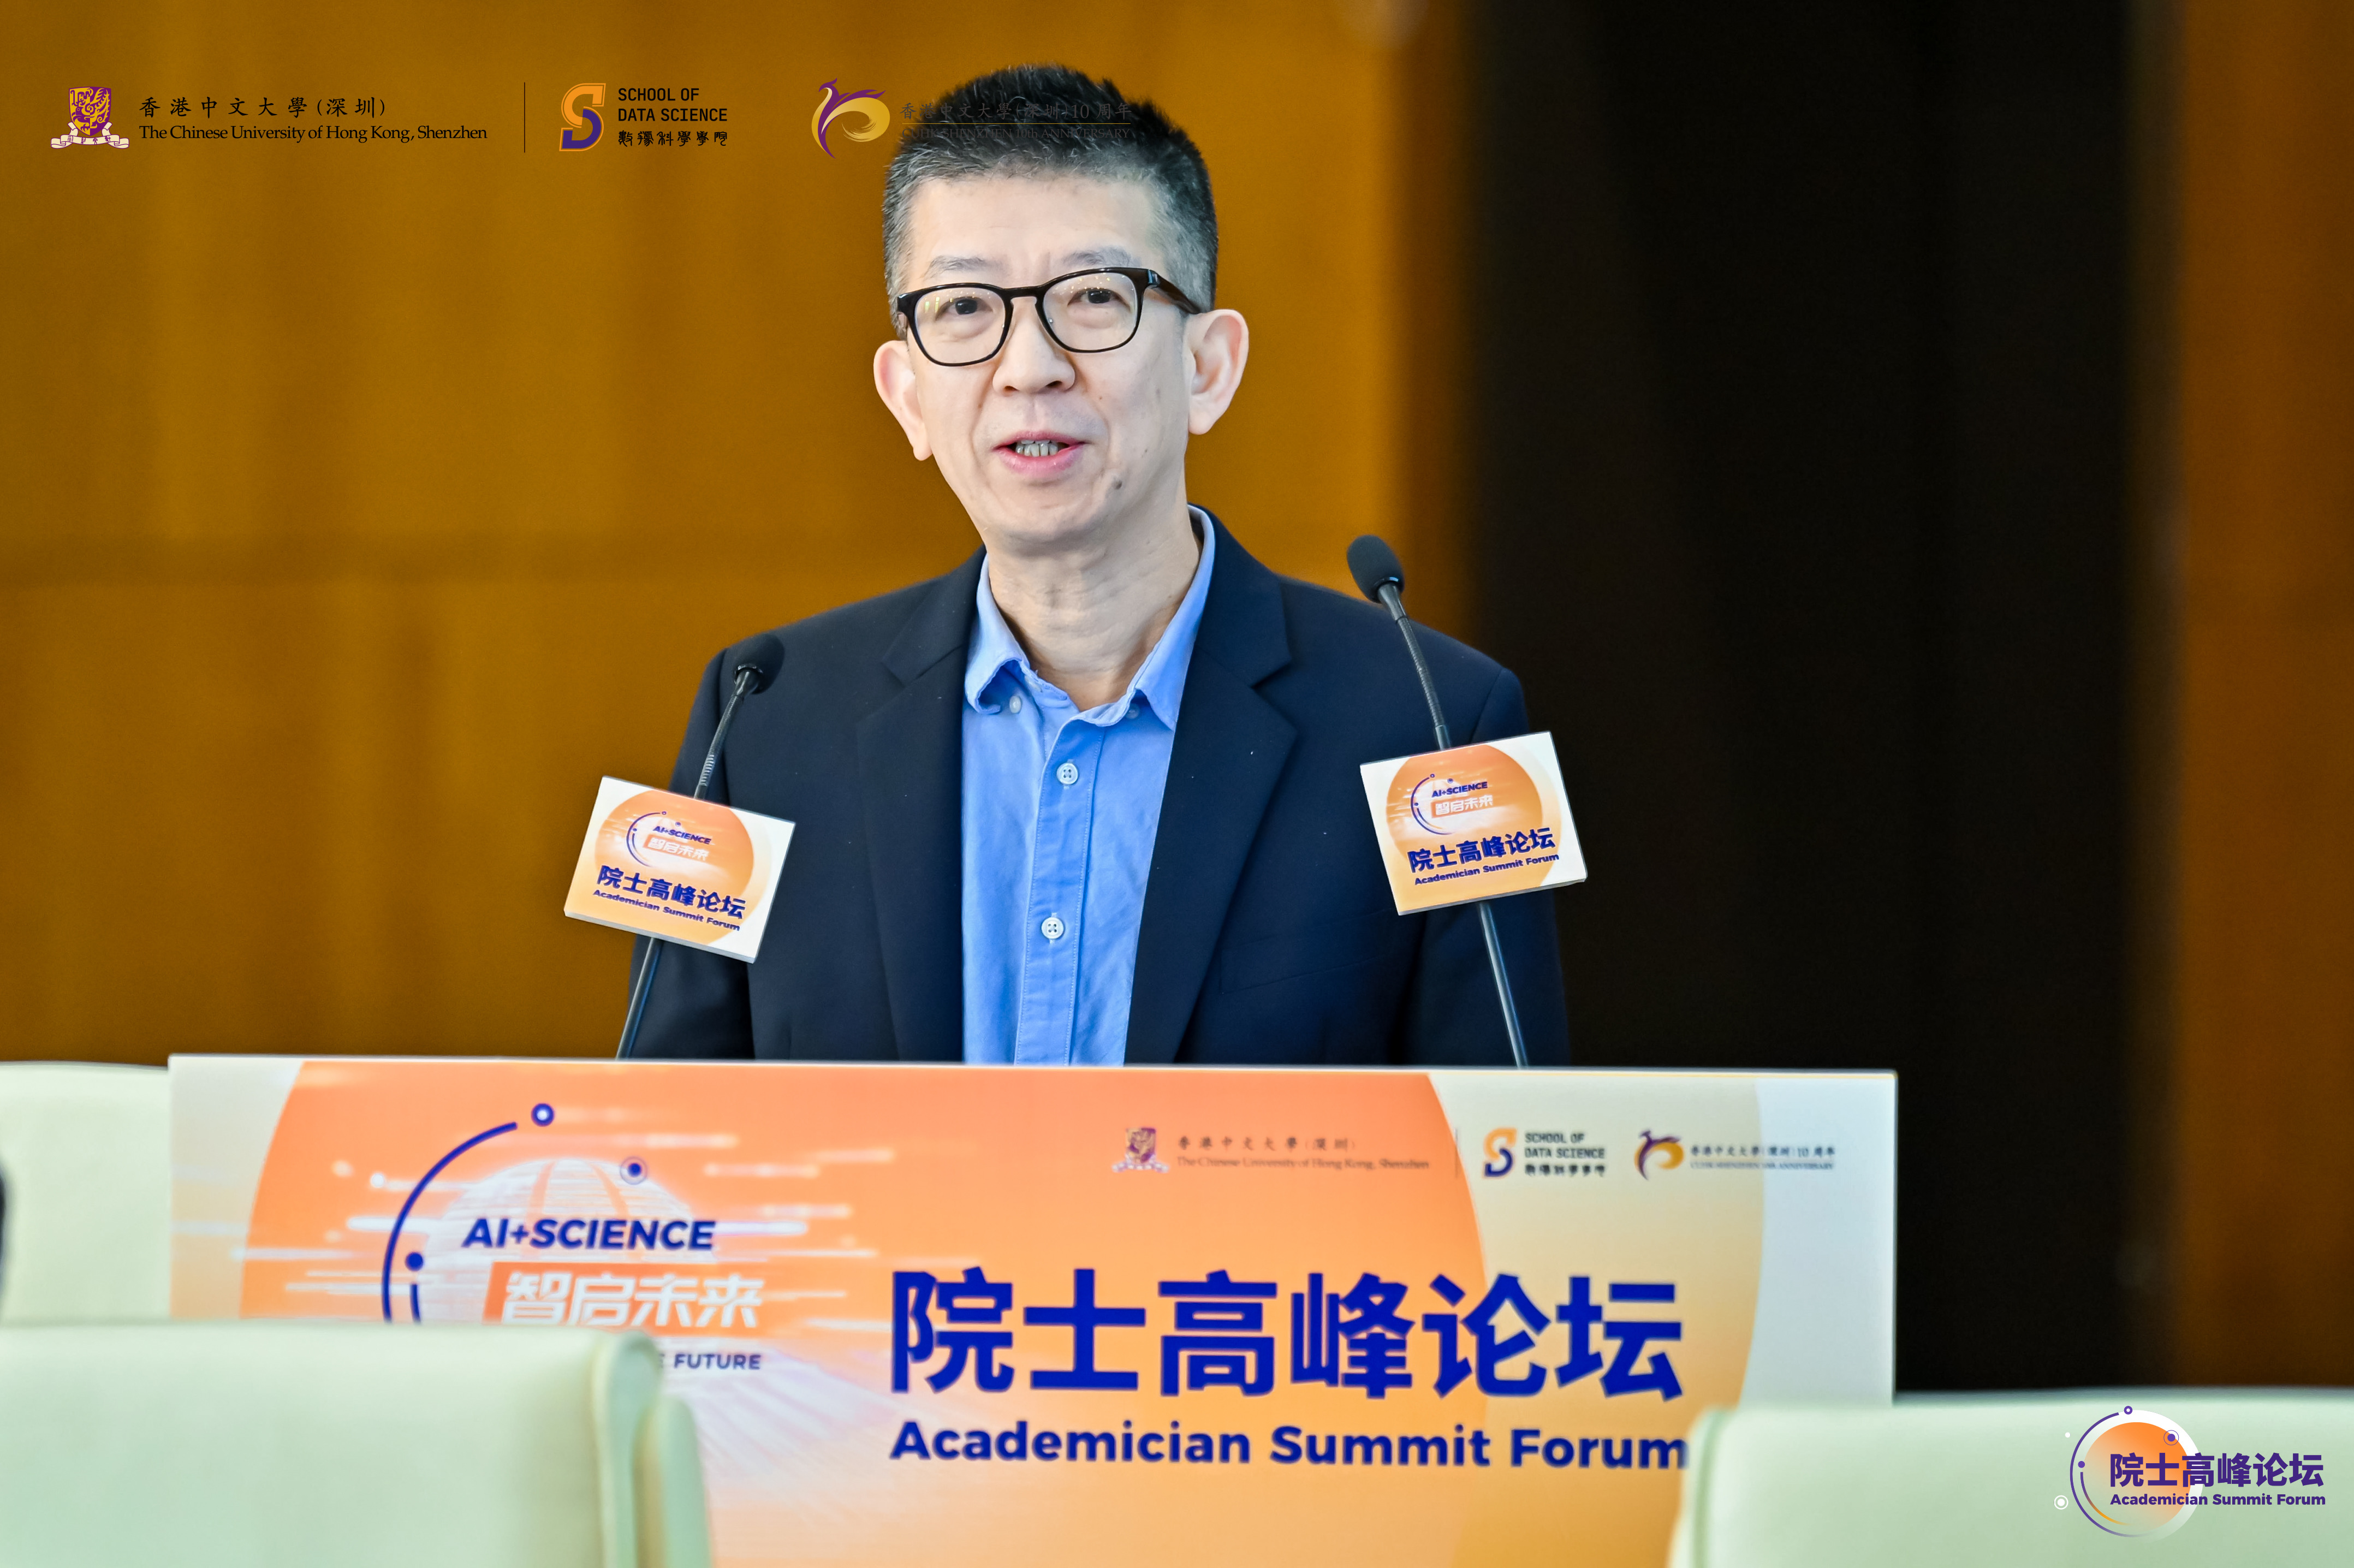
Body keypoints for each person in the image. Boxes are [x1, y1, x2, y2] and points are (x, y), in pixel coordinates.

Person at [629, 63, 1567, 1066]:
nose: (1029, 368)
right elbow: (658, 1129)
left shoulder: (1443, 730)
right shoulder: (755, 722)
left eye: (1092, 297)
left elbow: (1507, 1137)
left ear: (1208, 367)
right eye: (964, 308)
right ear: (907, 396)